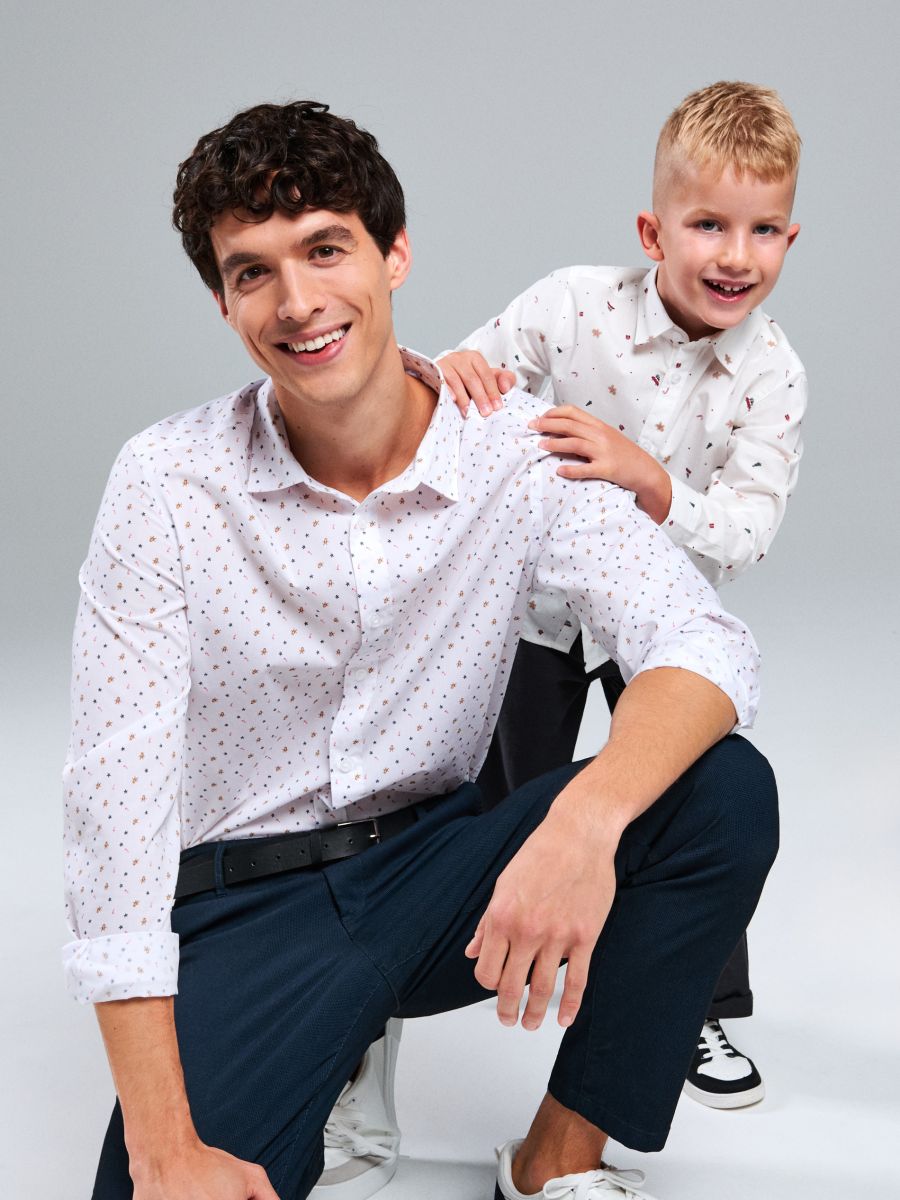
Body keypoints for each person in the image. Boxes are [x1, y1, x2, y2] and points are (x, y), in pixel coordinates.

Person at [63, 99, 778, 1200]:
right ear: (223, 301)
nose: (298, 303)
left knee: (721, 792)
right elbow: (113, 815)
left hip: (438, 878)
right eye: (253, 272)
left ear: (394, 254)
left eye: (326, 249)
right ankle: (325, 1061)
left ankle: (554, 1161)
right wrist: (164, 1149)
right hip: (247, 910)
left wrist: (585, 822)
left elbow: (705, 641)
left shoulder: (514, 454)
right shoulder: (165, 483)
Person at [436, 78, 804, 1114]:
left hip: (662, 626)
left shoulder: (774, 375)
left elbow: (747, 532)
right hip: (537, 608)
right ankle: (487, 953)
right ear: (654, 232)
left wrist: (653, 483)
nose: (736, 255)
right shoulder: (571, 304)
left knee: (693, 793)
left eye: (763, 230)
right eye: (709, 225)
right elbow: (464, 373)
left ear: (790, 238)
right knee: (519, 796)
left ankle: (693, 1002)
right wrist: (456, 368)